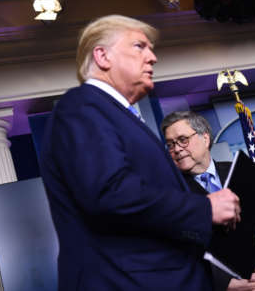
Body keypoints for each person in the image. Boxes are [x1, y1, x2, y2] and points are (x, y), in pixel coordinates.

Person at [39, 15, 241, 291]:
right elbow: (109, 194)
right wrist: (205, 208)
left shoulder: (118, 115)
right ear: (102, 56)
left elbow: (151, 217)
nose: (152, 57)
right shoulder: (82, 106)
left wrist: (226, 229)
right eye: (139, 46)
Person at [161, 111, 255, 291]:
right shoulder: (171, 195)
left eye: (183, 139)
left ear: (205, 138)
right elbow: (179, 252)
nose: (177, 149)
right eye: (170, 144)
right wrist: (226, 285)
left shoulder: (241, 171)